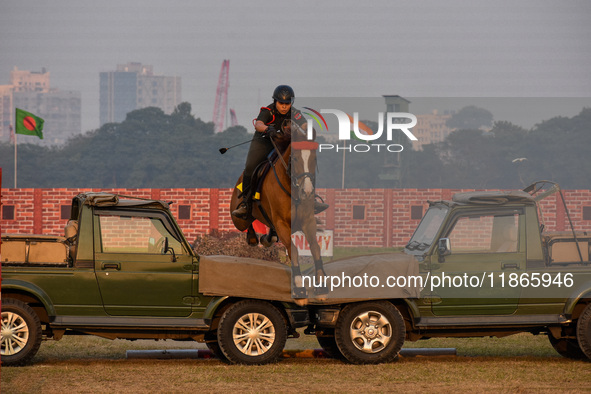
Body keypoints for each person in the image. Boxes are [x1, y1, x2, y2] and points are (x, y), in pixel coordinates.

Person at [232, 85, 329, 219]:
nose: (284, 106)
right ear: (275, 101)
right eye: (281, 103)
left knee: (306, 165)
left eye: (287, 103)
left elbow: (304, 124)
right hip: (263, 142)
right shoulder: (268, 110)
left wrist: (308, 130)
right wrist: (267, 129)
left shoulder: (293, 112)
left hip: (282, 144)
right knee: (250, 167)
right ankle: (246, 204)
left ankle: (311, 200)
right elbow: (258, 124)